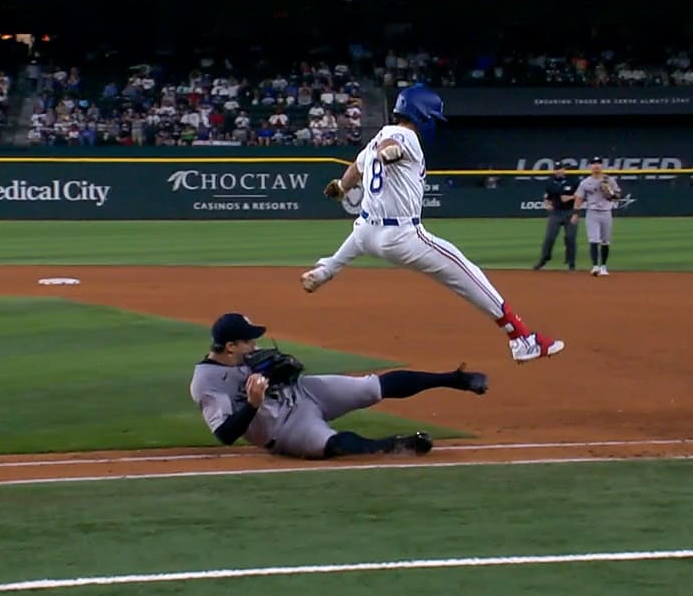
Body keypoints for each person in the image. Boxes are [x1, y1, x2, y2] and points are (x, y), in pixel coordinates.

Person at [301, 84, 565, 363]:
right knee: (467, 273)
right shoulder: (404, 135)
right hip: (402, 236)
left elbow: (356, 167)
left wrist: (341, 186)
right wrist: (389, 152)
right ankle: (522, 339)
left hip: (367, 230)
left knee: (361, 233)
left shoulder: (377, 138)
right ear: (422, 115)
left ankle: (325, 270)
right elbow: (391, 147)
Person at [190, 312, 490, 459]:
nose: (254, 344)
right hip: (283, 428)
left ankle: (454, 379)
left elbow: (280, 370)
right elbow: (225, 434)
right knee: (331, 444)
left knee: (372, 387)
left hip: (305, 391)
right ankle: (396, 445)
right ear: (230, 346)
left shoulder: (243, 357)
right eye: (248, 340)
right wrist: (254, 404)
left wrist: (285, 374)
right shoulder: (206, 382)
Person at [573, 156, 621, 276]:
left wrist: (610, 194)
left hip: (606, 212)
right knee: (593, 240)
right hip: (592, 213)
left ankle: (603, 266)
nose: (596, 165)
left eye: (598, 163)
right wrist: (575, 214)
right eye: (594, 163)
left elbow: (618, 196)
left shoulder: (609, 180)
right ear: (590, 166)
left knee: (605, 241)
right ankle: (595, 266)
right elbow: (579, 198)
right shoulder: (585, 182)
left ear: (602, 166)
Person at [533, 159, 579, 271]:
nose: (558, 171)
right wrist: (547, 204)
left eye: (560, 169)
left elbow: (580, 196)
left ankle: (571, 263)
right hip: (556, 213)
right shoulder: (550, 182)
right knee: (549, 237)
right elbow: (547, 198)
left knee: (570, 238)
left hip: (570, 212)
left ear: (564, 170)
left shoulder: (573, 181)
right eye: (556, 169)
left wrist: (570, 198)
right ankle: (544, 259)